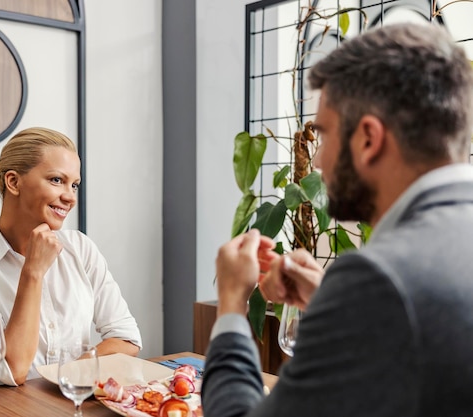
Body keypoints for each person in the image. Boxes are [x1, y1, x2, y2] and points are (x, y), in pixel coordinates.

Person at [202, 22, 473, 417]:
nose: (315, 160)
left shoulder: (378, 280)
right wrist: (330, 296)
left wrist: (231, 303)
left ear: (368, 139)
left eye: (324, 135)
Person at [0, 127, 142, 386]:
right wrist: (32, 272)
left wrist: (68, 375)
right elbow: (12, 370)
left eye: (74, 185)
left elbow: (127, 339)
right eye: (57, 180)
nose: (70, 197)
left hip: (72, 403)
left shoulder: (81, 248)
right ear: (13, 182)